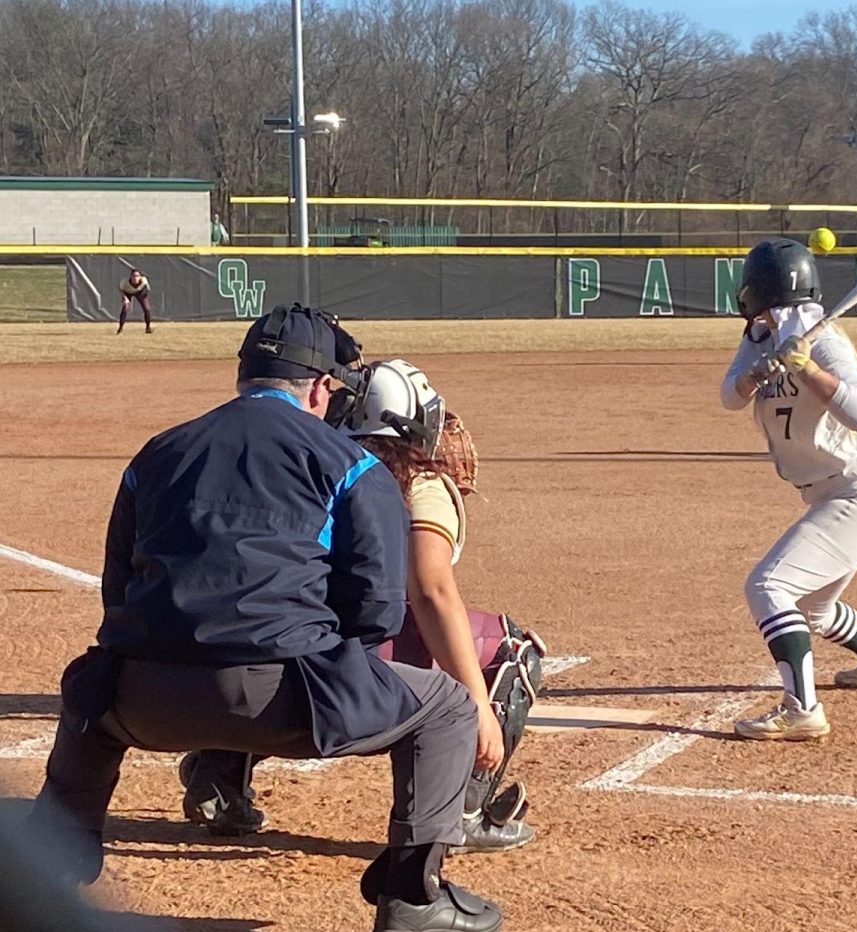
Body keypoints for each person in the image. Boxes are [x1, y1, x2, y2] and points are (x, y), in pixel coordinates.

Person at [26, 304, 503, 932]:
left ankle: (47, 871)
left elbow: (118, 594)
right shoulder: (351, 463)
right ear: (322, 387)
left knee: (91, 689)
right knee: (444, 707)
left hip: (143, 699)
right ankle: (414, 896)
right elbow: (375, 612)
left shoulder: (157, 452)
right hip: (285, 701)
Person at [181, 358, 542, 855]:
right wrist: (476, 701)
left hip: (266, 653)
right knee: (512, 648)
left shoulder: (304, 461)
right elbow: (430, 590)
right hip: (346, 669)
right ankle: (464, 808)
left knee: (264, 618)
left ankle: (219, 775)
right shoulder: (420, 483)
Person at [720, 238, 857, 742]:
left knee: (768, 587)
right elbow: (728, 397)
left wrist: (808, 368)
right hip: (828, 495)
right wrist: (756, 374)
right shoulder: (761, 336)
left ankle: (801, 708)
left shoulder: (825, 342)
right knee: (814, 611)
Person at [117, 268, 153, 334]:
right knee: (125, 308)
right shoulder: (124, 282)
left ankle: (148, 327)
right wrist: (125, 298)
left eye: (137, 276)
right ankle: (120, 328)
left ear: (140, 277)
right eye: (133, 275)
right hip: (128, 292)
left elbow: (146, 291)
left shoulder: (144, 281)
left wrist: (142, 296)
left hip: (139, 292)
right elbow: (121, 289)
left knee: (147, 309)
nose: (135, 278)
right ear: (130, 276)